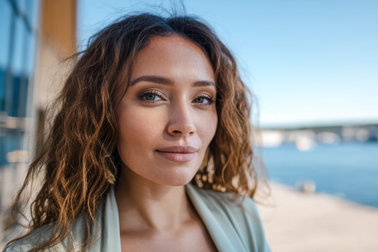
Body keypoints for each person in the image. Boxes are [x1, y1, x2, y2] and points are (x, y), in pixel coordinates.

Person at [4, 13, 270, 252]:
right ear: (104, 112)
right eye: (152, 96)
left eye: (202, 99)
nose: (185, 124)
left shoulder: (242, 216)